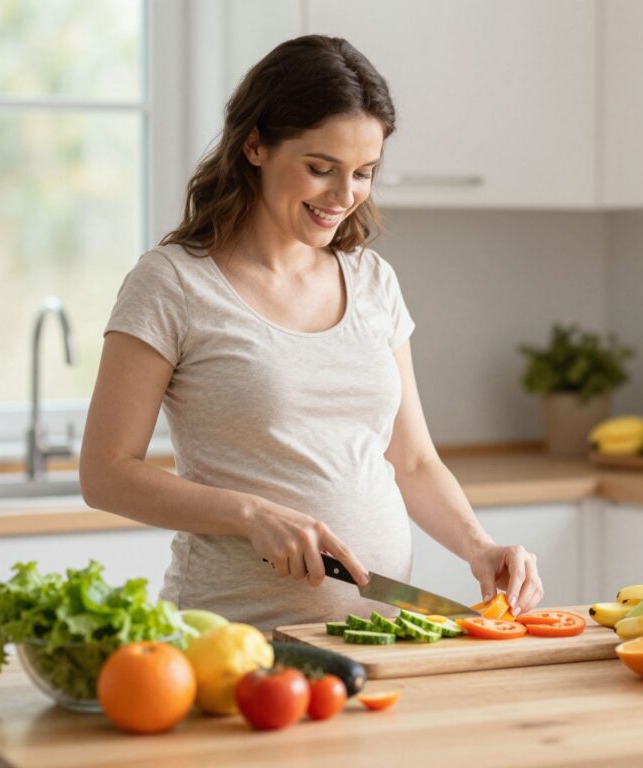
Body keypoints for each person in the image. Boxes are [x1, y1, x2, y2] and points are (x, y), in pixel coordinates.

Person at [79, 35, 544, 632]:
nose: (344, 196)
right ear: (255, 145)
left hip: (380, 635)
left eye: (364, 173)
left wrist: (479, 547)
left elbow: (414, 461)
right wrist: (251, 514)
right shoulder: (172, 284)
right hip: (236, 638)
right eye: (321, 169)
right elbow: (106, 473)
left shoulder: (373, 281)